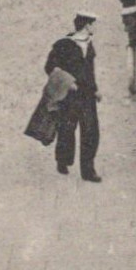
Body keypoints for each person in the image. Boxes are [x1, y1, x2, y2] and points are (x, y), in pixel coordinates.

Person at [44, 11, 101, 182]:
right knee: (67, 130)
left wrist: (95, 89)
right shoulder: (64, 44)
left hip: (87, 96)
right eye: (93, 24)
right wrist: (68, 82)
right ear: (86, 25)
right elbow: (50, 67)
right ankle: (63, 160)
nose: (95, 27)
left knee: (91, 131)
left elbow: (90, 71)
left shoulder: (89, 44)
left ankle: (88, 170)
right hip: (69, 96)